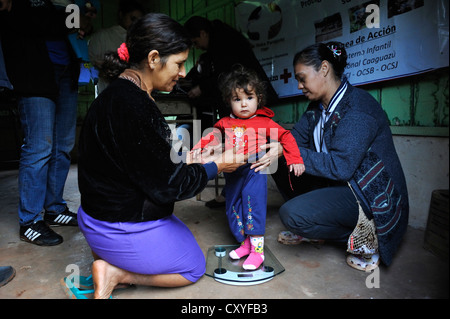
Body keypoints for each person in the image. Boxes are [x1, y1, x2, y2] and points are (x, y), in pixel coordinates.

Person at [77, 13, 246, 299]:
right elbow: (171, 186)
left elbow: (145, 162)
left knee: (178, 230)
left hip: (94, 216)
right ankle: (118, 273)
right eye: (179, 63)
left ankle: (112, 258)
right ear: (154, 58)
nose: (182, 73)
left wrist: (192, 158)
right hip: (115, 224)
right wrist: (218, 164)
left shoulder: (117, 94)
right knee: (193, 266)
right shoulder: (135, 106)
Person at [251, 42, 409, 271]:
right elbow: (293, 140)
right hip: (337, 184)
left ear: (324, 69)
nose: (299, 85)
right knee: (276, 159)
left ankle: (368, 237)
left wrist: (286, 150)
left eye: (302, 78)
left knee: (293, 216)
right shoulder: (317, 108)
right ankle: (320, 223)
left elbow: (341, 167)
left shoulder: (357, 108)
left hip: (365, 195)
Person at [192, 65, 304, 270]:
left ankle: (257, 252)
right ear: (229, 101)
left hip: (255, 170)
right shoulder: (224, 123)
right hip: (233, 172)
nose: (244, 104)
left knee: (253, 207)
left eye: (249, 98)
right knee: (233, 209)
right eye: (237, 99)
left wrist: (295, 158)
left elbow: (286, 136)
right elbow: (212, 137)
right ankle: (245, 244)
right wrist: (199, 149)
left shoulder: (265, 122)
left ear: (259, 99)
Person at [0, 0, 82, 246]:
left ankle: (54, 208)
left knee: (63, 146)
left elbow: (74, 24)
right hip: (33, 73)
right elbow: (41, 22)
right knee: (39, 147)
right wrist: (65, 18)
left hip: (66, 71)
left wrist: (70, 18)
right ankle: (30, 221)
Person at [184, 16, 279, 208]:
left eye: (195, 42)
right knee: (238, 148)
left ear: (203, 33)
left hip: (251, 98)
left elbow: (223, 75)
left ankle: (239, 197)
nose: (197, 46)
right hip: (249, 99)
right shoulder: (218, 40)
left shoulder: (223, 42)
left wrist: (201, 88)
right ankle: (231, 195)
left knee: (252, 151)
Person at [88, 0, 144, 93]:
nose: (135, 24)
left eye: (138, 21)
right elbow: (92, 64)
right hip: (108, 93)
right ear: (121, 15)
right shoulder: (102, 36)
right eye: (132, 18)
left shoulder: (141, 39)